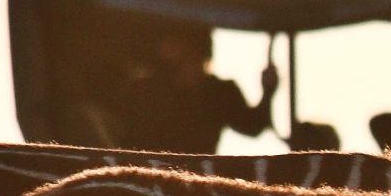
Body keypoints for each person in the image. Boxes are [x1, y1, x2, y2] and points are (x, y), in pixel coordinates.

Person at [56, 22, 281, 153]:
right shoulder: (144, 90)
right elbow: (122, 132)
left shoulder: (219, 91)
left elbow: (251, 126)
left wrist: (268, 91)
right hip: (146, 176)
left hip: (197, 179)